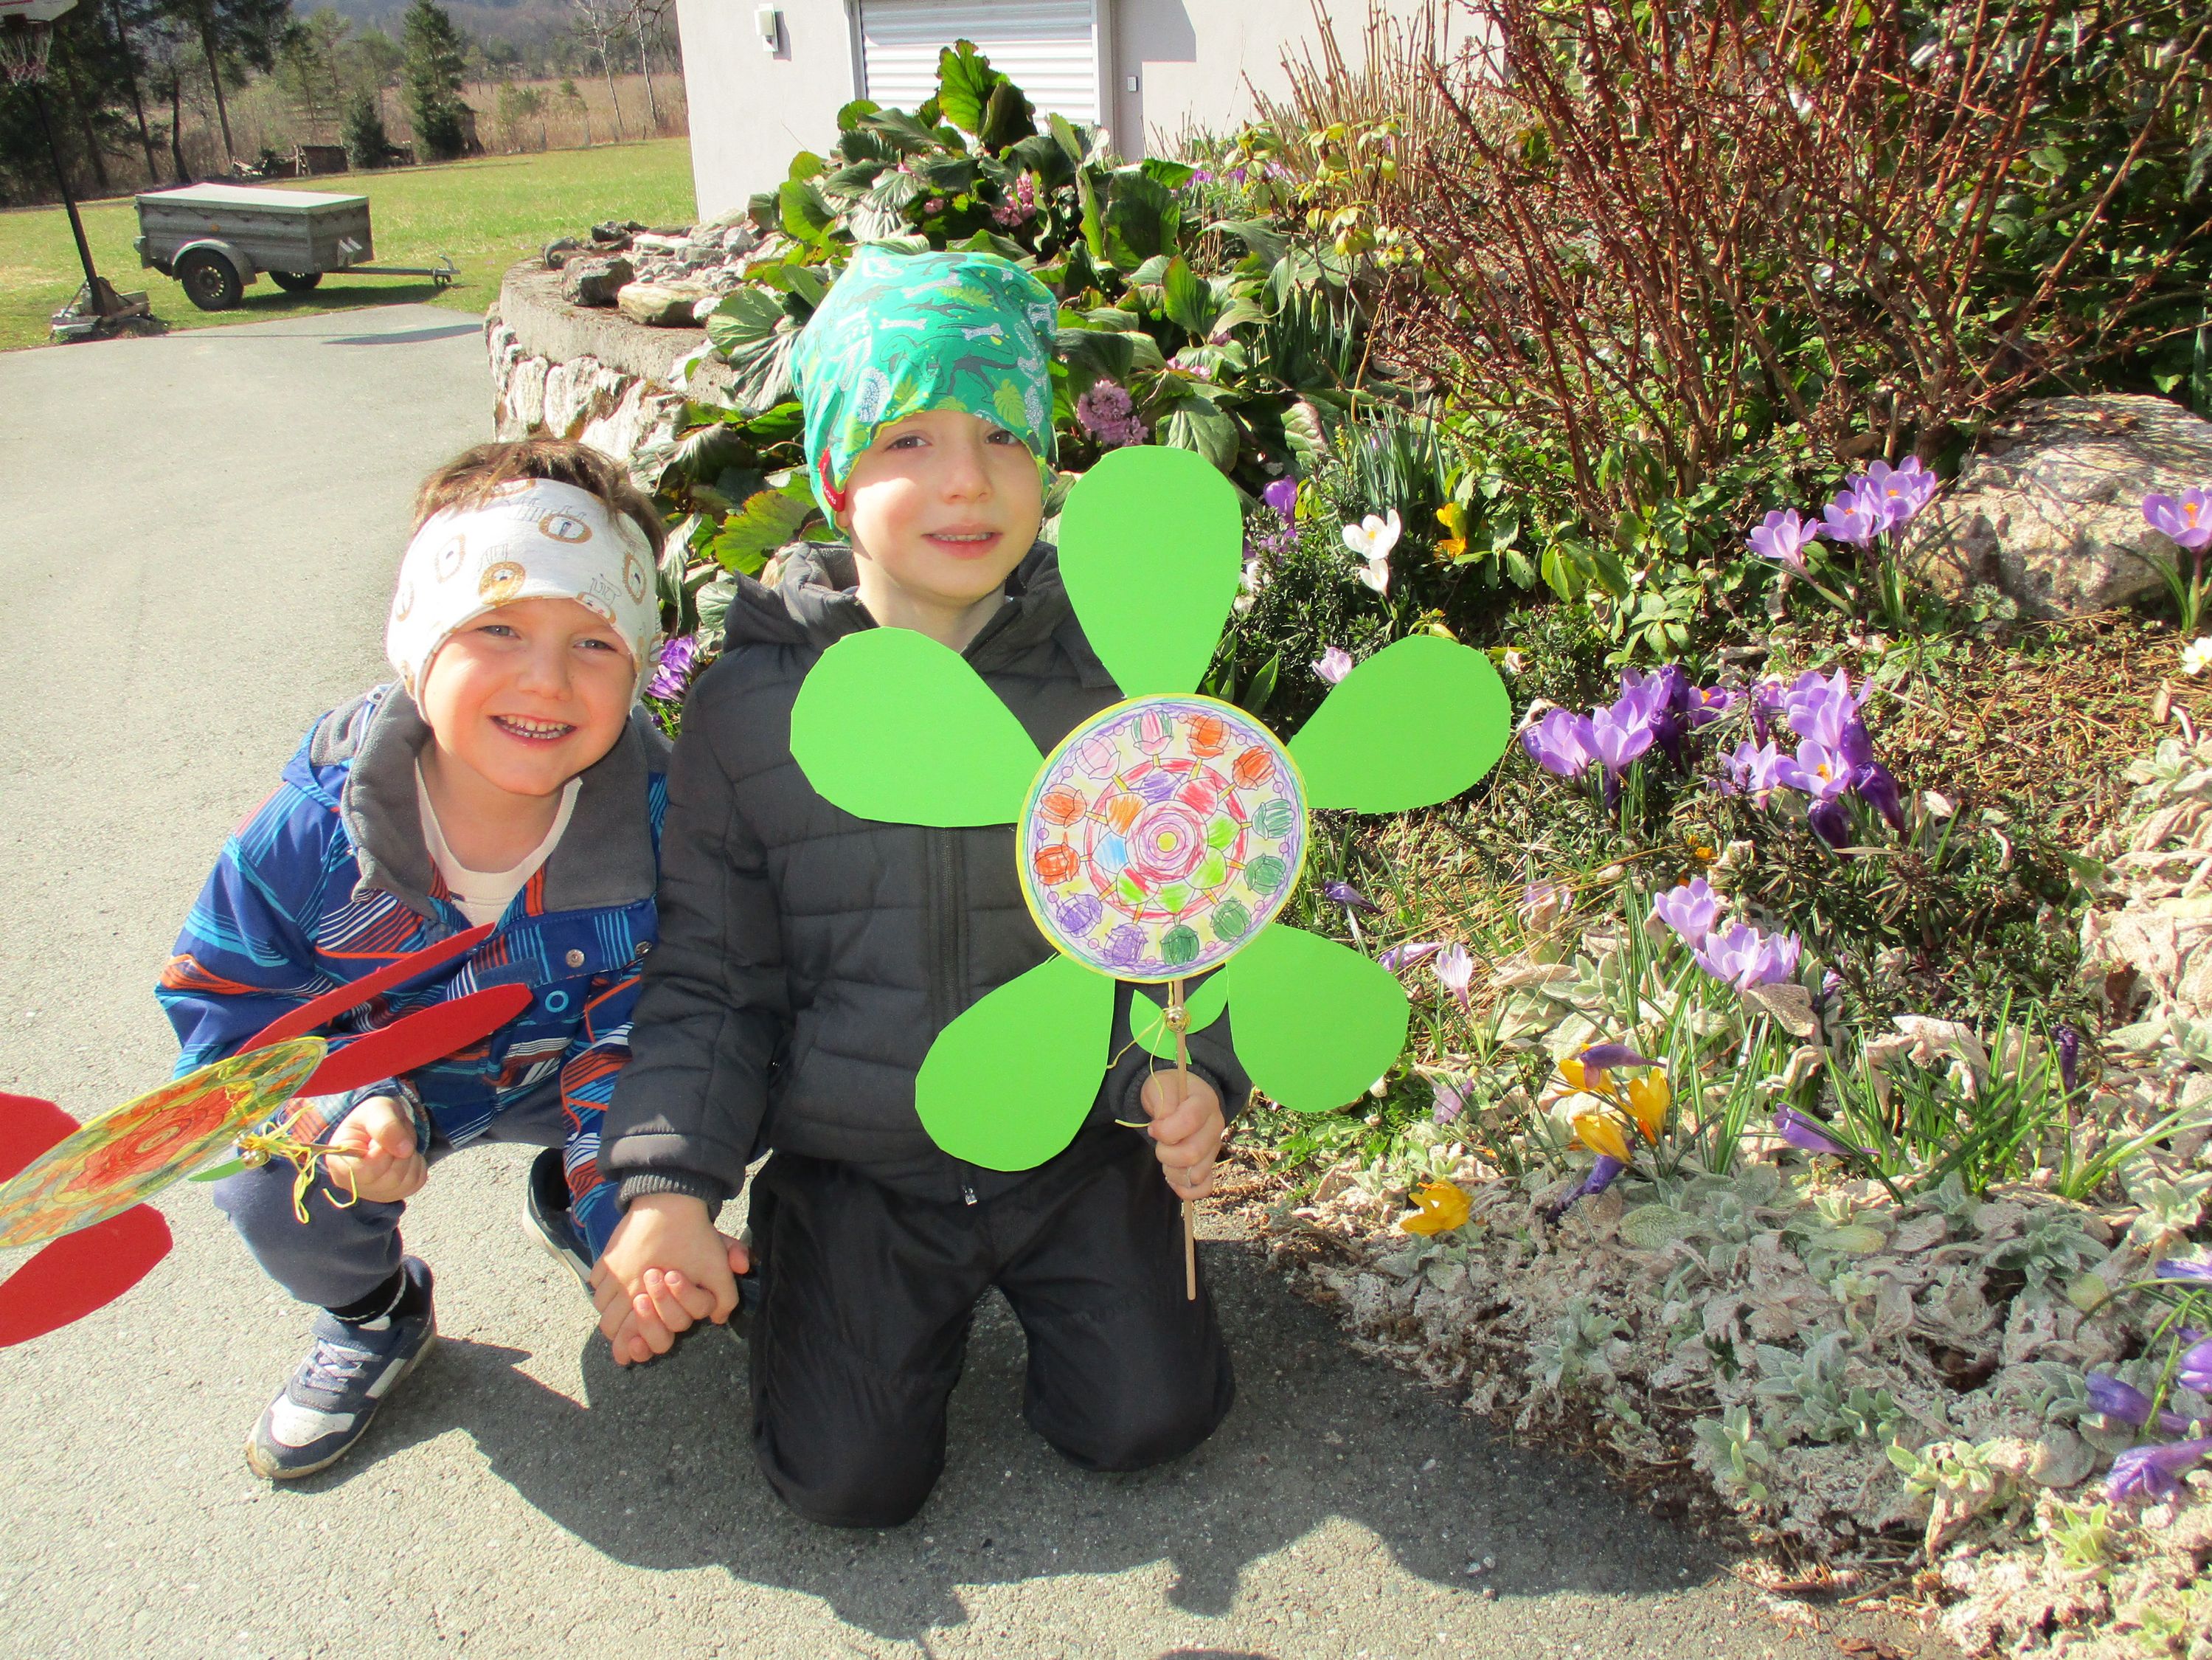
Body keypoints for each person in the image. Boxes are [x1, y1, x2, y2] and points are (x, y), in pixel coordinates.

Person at [595, 244, 1241, 1528]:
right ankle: (807, 1285)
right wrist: (669, 1186)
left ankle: (1079, 1306)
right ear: (835, 474)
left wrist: (1195, 1072)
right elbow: (713, 980)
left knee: (1149, 1418)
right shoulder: (750, 710)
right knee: (850, 1481)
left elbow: (1188, 913)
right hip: (860, 1169)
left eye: (1004, 434)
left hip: (1071, 1145)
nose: (966, 479)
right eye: (907, 439)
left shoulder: (1113, 682)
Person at [159, 438, 672, 1480]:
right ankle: (376, 1311)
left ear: (638, 666)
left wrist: (627, 1205)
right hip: (380, 1082)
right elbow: (221, 1008)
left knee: (738, 1081)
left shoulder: (660, 822)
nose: (546, 678)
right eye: (498, 626)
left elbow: (656, 1025)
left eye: (594, 641)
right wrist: (341, 1109)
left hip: (570, 1067)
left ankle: (576, 1198)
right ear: (417, 640)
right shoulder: (307, 837)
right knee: (271, 1185)